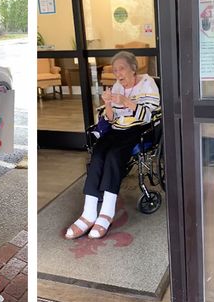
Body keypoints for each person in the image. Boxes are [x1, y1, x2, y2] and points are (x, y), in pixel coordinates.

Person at [65, 51, 160, 240]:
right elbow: (111, 118)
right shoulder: (117, 85)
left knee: (114, 156)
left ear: (133, 68)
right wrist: (108, 103)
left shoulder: (148, 83)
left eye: (121, 68)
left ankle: (106, 213)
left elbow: (149, 116)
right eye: (115, 70)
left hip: (138, 130)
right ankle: (88, 212)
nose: (118, 74)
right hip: (117, 129)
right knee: (98, 153)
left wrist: (125, 101)